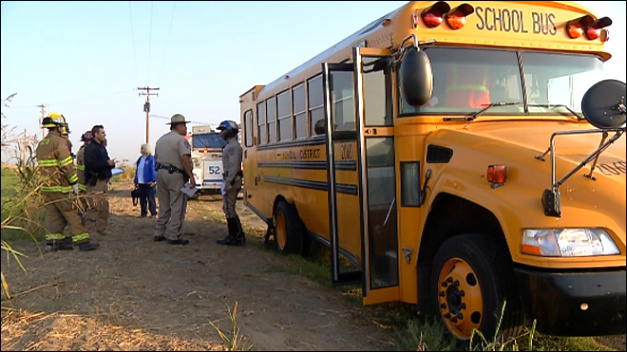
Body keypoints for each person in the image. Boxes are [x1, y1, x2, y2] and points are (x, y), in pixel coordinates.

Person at [35, 112, 98, 251]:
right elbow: (66, 165)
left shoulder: (41, 144)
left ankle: (54, 242)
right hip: (61, 187)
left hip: (47, 187)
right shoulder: (60, 142)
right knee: (72, 213)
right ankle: (83, 242)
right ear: (58, 127)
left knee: (53, 215)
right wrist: (74, 183)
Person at [153, 113, 196, 245]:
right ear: (179, 126)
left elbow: (156, 157)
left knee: (164, 205)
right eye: (184, 125)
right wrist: (191, 176)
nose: (186, 128)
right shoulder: (181, 140)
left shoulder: (160, 140)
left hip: (161, 173)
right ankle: (174, 235)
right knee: (177, 205)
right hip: (175, 174)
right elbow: (184, 158)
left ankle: (159, 232)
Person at [215, 120, 246, 246]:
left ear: (229, 130)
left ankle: (234, 236)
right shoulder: (231, 145)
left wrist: (229, 182)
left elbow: (233, 166)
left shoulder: (233, 147)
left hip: (232, 180)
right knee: (227, 208)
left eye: (223, 130)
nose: (221, 133)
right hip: (231, 179)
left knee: (229, 208)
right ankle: (236, 235)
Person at [84, 124, 115, 237]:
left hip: (103, 182)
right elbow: (91, 164)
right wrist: (106, 163)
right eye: (102, 133)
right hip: (95, 182)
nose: (104, 135)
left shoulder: (101, 148)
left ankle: (101, 229)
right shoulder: (90, 148)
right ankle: (90, 231)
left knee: (104, 207)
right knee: (94, 207)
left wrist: (110, 165)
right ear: (95, 134)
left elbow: (104, 163)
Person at [134, 143, 158, 218]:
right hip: (141, 182)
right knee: (142, 199)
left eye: (142, 148)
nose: (141, 150)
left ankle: (153, 213)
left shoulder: (151, 158)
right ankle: (143, 213)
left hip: (149, 182)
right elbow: (137, 170)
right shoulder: (140, 159)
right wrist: (136, 180)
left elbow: (153, 169)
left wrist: (153, 180)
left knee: (151, 199)